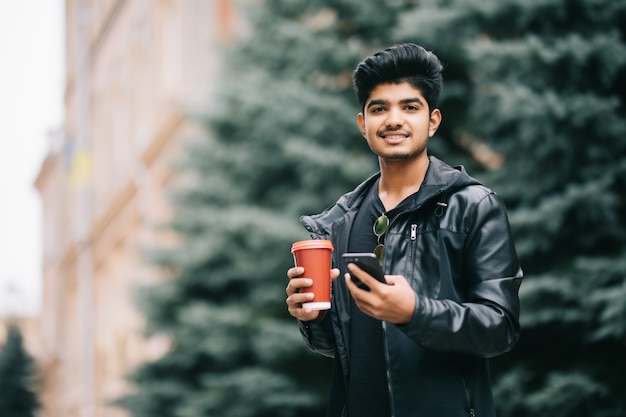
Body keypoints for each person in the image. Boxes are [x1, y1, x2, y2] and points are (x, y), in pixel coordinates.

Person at [285, 43, 522, 417]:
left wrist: (415, 312)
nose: (393, 120)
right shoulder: (341, 221)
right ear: (363, 124)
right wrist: (312, 319)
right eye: (379, 108)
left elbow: (499, 328)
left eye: (409, 107)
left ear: (433, 120)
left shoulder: (472, 206)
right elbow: (344, 345)